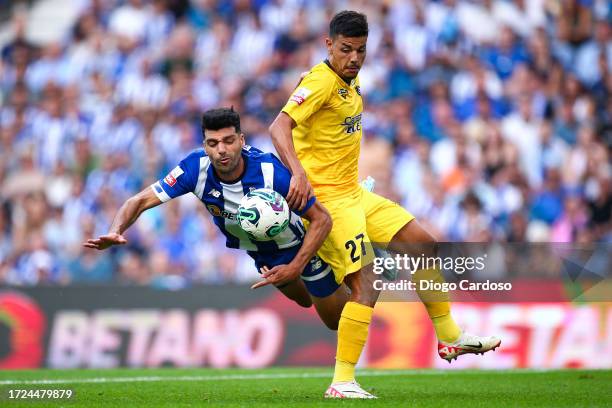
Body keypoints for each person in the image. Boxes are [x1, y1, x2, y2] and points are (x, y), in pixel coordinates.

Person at [269, 11, 500, 399]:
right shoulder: (321, 81)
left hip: (355, 193)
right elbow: (279, 126)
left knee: (423, 244)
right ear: (329, 45)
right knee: (368, 284)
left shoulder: (351, 78)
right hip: (328, 201)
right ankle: (341, 382)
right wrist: (298, 173)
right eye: (345, 50)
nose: (354, 58)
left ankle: (449, 337)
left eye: (360, 50)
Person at [84, 107, 348, 330]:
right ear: (205, 146)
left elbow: (321, 219)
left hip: (300, 242)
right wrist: (116, 229)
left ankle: (359, 276)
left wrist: (296, 266)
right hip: (262, 253)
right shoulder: (194, 169)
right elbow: (138, 200)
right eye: (213, 143)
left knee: (335, 321)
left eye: (228, 141)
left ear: (242, 140)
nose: (221, 150)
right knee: (303, 301)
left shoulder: (270, 173)